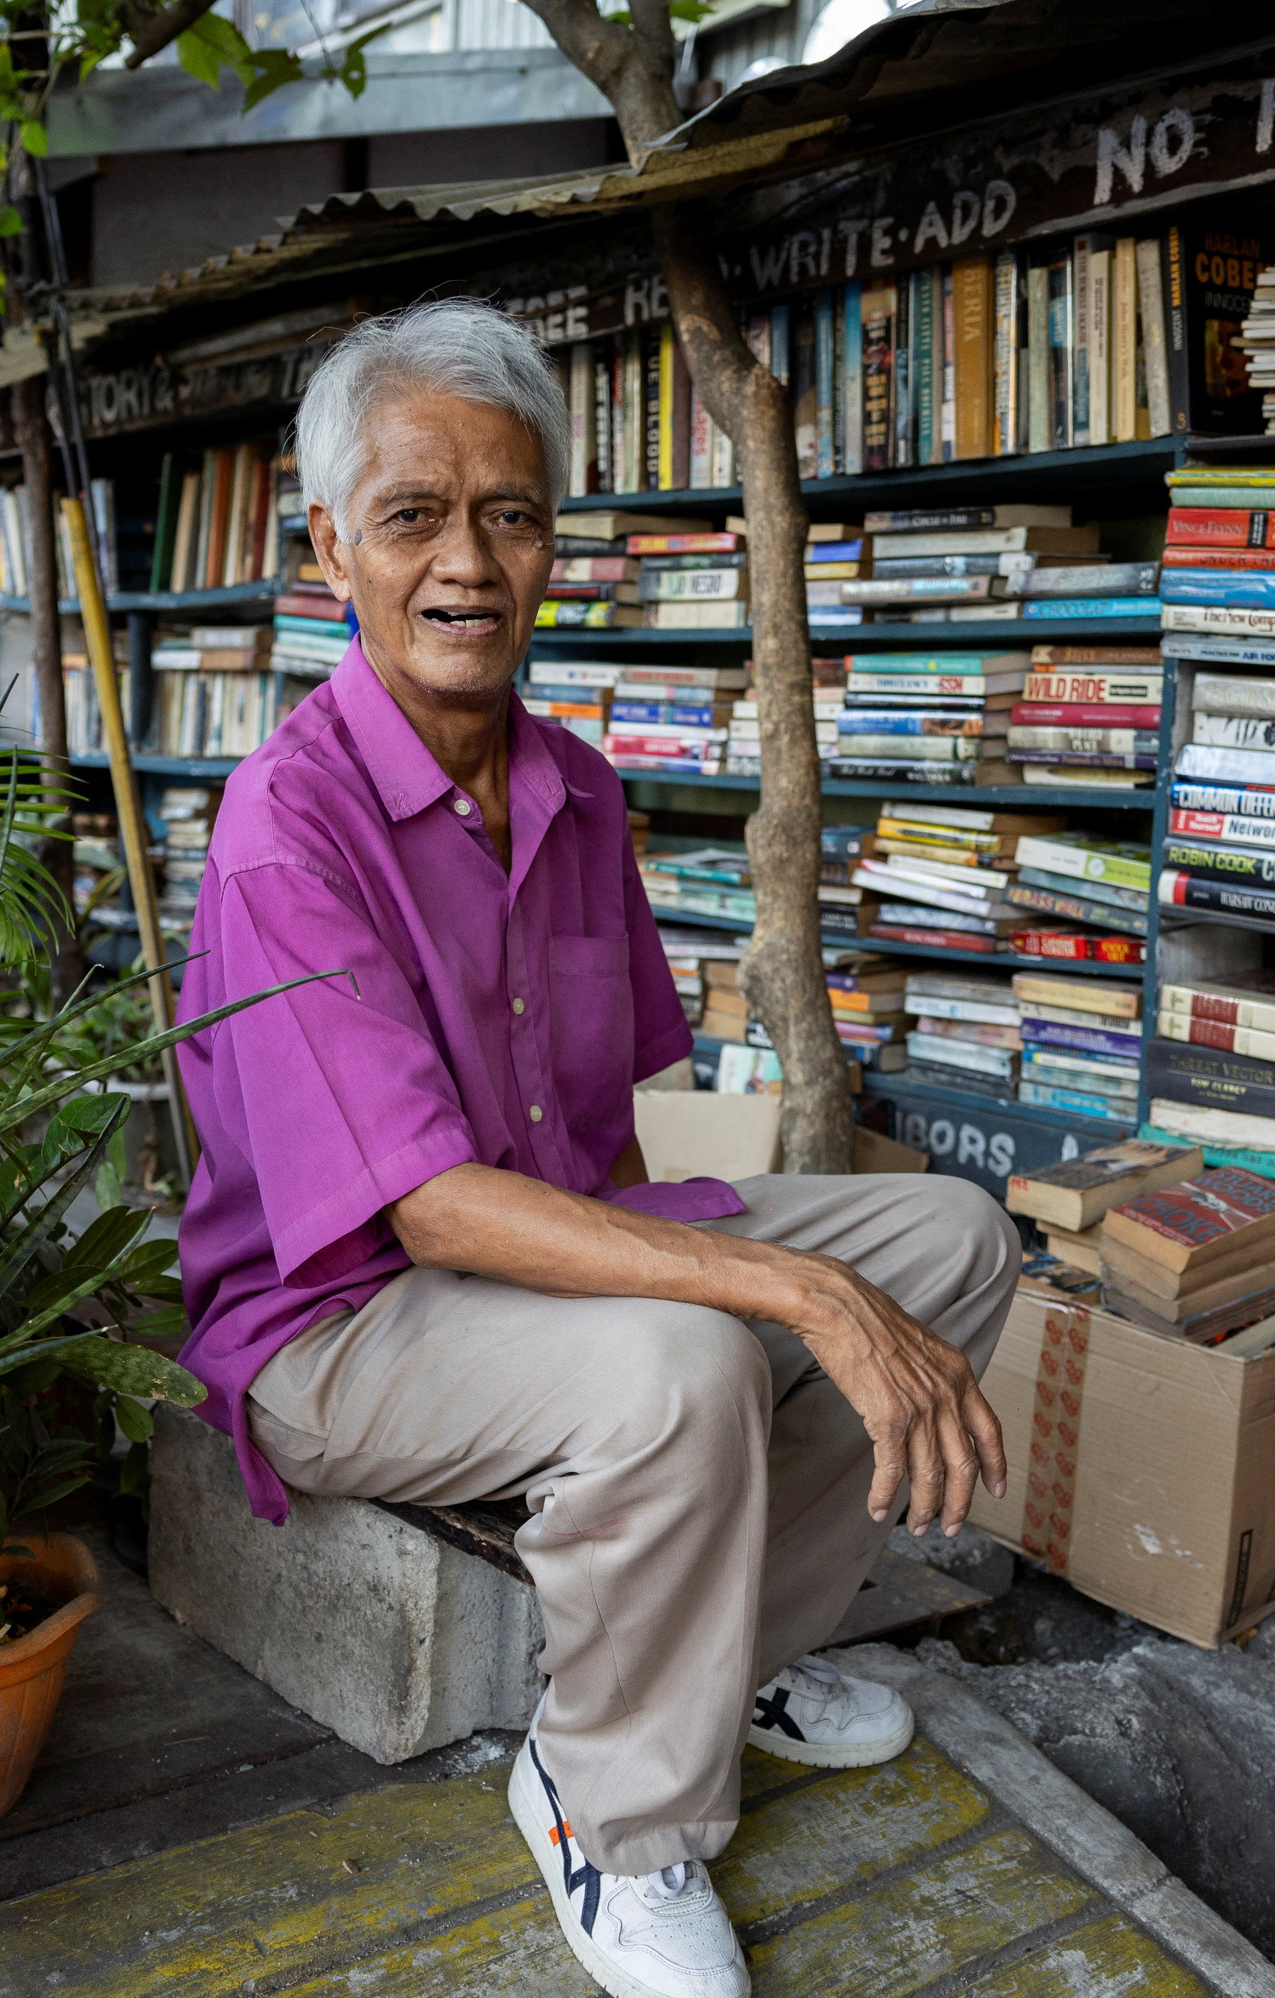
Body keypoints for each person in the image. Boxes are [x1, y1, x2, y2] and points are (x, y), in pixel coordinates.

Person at [174, 296, 1020, 1998]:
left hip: (540, 1249)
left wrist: (759, 1281)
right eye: (413, 516)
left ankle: (720, 1660)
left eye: (510, 513)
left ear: (553, 542)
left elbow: (607, 1134)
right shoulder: (288, 824)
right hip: (335, 1322)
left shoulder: (575, 787)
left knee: (951, 1242)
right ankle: (610, 1812)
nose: (466, 562)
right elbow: (428, 1210)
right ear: (332, 546)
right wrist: (779, 1295)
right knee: (683, 1360)